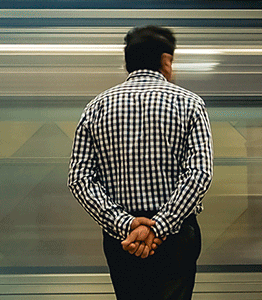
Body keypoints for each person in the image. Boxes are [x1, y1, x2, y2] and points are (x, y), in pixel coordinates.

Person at [68, 25, 213, 300]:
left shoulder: (96, 107)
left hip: (123, 241)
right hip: (177, 234)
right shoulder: (190, 104)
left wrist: (127, 225)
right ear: (165, 60)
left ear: (128, 62)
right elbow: (199, 174)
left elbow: (80, 179)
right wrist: (159, 226)